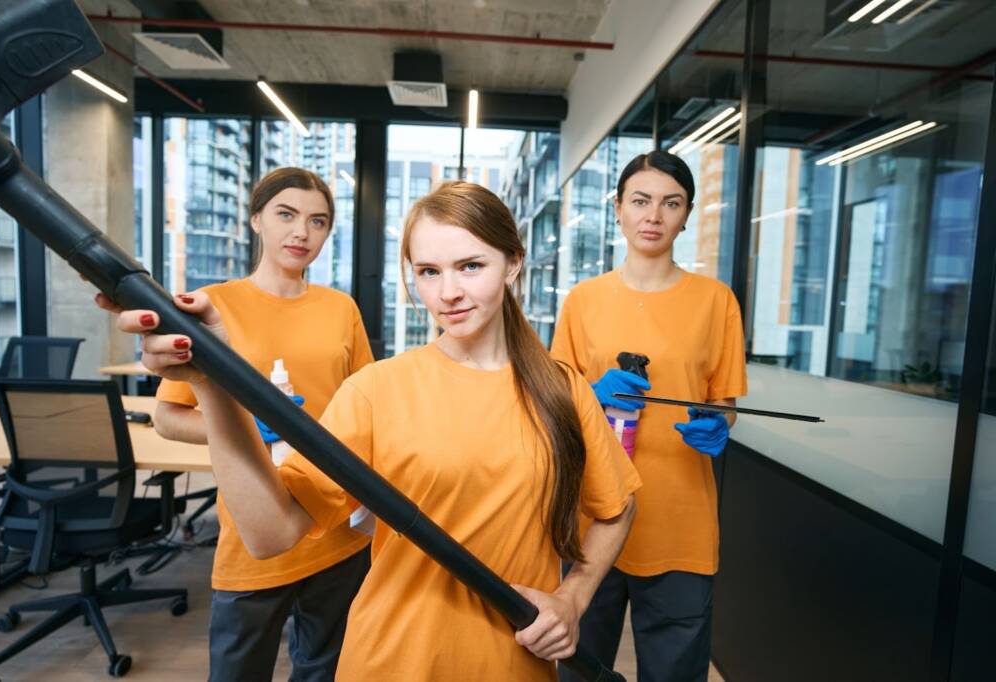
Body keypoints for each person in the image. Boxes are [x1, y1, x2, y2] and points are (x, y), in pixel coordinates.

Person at [99, 180, 640, 681]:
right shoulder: (376, 390)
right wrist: (213, 388)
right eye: (428, 272)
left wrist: (574, 597)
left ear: (513, 264)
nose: (448, 292)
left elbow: (617, 508)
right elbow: (270, 535)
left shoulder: (561, 389)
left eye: (470, 266)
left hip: (514, 664)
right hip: (389, 659)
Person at [149, 167, 374, 682]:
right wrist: (242, 426)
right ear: (256, 220)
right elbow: (167, 416)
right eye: (286, 215)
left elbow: (367, 407)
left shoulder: (341, 309)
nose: (302, 232)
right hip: (253, 526)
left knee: (325, 670)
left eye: (318, 222)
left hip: (335, 525)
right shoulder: (214, 306)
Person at [551, 151, 748, 682]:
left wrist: (718, 424)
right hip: (593, 515)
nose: (653, 215)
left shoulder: (716, 301)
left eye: (670, 203)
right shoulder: (583, 301)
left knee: (675, 673)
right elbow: (554, 405)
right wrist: (590, 392)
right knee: (579, 669)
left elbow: (723, 402)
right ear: (618, 209)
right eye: (640, 201)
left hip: (681, 519)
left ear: (686, 216)